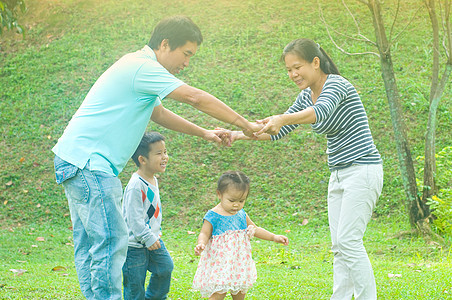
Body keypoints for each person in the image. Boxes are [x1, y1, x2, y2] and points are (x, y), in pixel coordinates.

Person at [52, 15, 261, 300]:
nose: (186, 63)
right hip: (90, 164)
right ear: (165, 44)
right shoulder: (143, 67)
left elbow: (158, 113)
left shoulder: (138, 68)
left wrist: (205, 133)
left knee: (91, 246)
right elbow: (195, 98)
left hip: (75, 160)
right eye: (186, 54)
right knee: (111, 243)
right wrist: (244, 124)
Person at [231, 38, 383, 300]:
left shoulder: (337, 84)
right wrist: (235, 134)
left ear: (315, 62)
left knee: (349, 241)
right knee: (339, 247)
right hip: (338, 175)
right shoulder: (305, 96)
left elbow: (320, 112)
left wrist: (281, 118)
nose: (293, 74)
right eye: (289, 70)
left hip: (363, 169)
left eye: (297, 67)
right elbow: (279, 130)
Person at [192, 171, 289, 300]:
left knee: (239, 294)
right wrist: (201, 243)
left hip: (239, 263)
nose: (236, 204)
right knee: (218, 294)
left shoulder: (241, 214)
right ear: (219, 194)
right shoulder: (213, 215)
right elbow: (204, 232)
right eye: (232, 200)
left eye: (241, 200)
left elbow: (255, 228)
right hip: (221, 264)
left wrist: (274, 237)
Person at [122, 132, 172, 300]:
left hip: (153, 239)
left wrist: (152, 237)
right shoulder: (136, 185)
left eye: (165, 152)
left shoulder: (153, 179)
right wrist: (147, 237)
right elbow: (134, 219)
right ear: (142, 159)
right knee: (135, 286)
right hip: (134, 246)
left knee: (165, 267)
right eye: (159, 153)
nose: (165, 157)